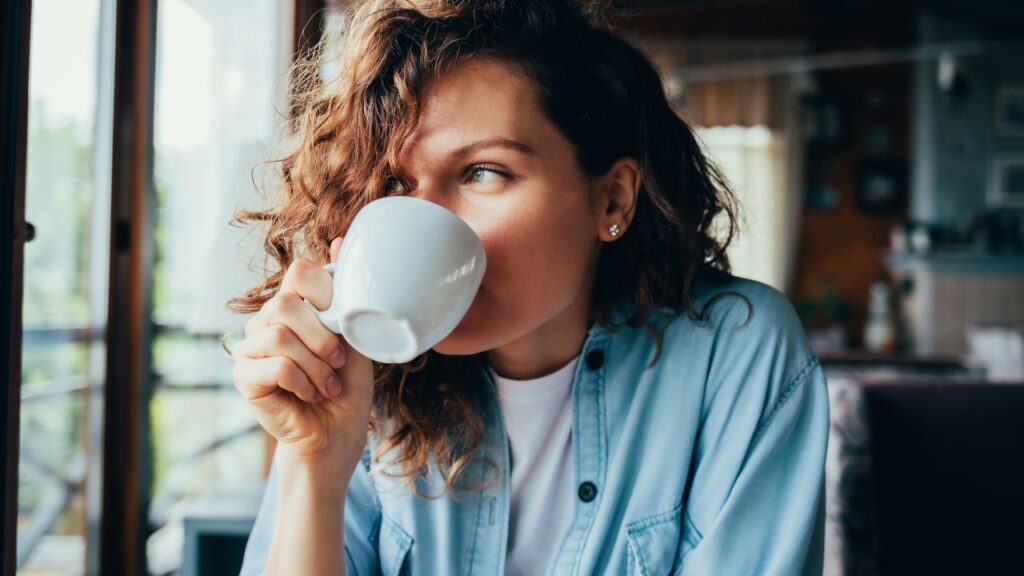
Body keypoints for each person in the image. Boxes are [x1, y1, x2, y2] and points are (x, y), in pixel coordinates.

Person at [229, 0, 829, 574]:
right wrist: (314, 465)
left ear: (611, 197)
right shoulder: (364, 380)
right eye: (394, 182)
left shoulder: (734, 353)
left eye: (483, 171)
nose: (425, 220)